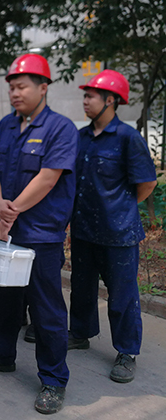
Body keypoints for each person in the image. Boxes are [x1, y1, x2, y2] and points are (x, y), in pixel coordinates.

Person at [0, 54, 78, 415]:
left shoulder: (60, 128)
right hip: (6, 230)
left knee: (46, 310)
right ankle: (1, 354)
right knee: (5, 301)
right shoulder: (7, 126)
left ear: (43, 88)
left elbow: (48, 177)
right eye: (12, 87)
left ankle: (54, 379)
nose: (15, 93)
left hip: (40, 234)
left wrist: (11, 211)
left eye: (22, 86)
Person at [68, 69, 156, 383]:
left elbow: (147, 183)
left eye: (90, 96)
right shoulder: (81, 137)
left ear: (110, 100)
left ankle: (127, 351)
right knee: (81, 287)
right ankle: (80, 333)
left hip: (118, 233)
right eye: (85, 95)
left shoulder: (127, 138)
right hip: (83, 229)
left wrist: (121, 208)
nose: (85, 101)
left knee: (122, 296)